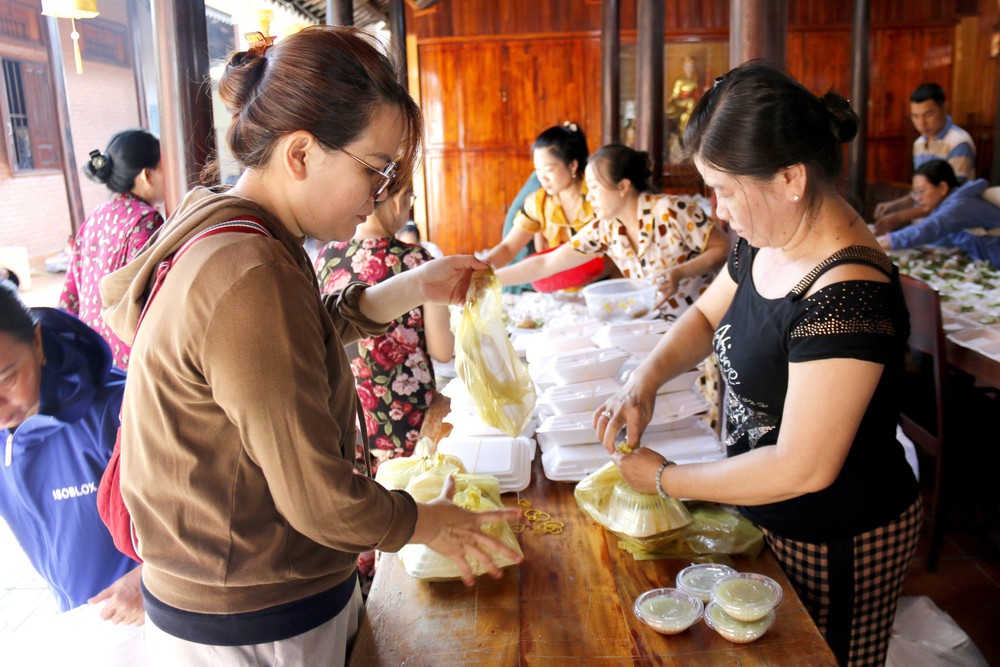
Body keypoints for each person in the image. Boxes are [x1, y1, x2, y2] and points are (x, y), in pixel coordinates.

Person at [98, 26, 520, 665]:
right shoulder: (250, 270)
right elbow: (320, 501)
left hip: (242, 595)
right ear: (300, 154)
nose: (381, 197)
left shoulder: (226, 224)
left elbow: (294, 338)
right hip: (254, 619)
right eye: (376, 170)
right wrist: (430, 523)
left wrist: (413, 284)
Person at [596, 62, 920, 667]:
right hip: (765, 508)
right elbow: (703, 318)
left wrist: (665, 478)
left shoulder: (846, 293)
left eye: (724, 190)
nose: (717, 212)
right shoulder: (766, 236)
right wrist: (644, 380)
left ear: (791, 178)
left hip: (836, 532)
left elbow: (803, 466)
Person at [0, 280, 143, 624]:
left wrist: (151, 580)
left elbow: (215, 509)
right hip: (81, 625)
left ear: (37, 342)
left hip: (154, 623)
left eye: (5, 379)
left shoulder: (118, 412)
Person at [495, 143, 727, 320]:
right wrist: (489, 279)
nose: (590, 195)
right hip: (657, 327)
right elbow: (545, 264)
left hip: (706, 321)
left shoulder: (671, 210)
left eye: (594, 187)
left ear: (623, 187)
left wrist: (680, 273)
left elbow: (722, 249)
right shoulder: (606, 229)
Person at [315, 177, 454, 472]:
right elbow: (443, 351)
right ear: (396, 199)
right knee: (407, 499)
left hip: (346, 416)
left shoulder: (327, 257)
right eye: (410, 199)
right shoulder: (418, 260)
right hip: (406, 417)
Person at [58, 129, 165, 371]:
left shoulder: (95, 217)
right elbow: (153, 297)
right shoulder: (146, 220)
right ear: (147, 175)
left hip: (97, 357)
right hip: (130, 362)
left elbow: (70, 295)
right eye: (164, 168)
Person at [483, 123, 606, 290]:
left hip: (603, 287)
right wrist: (480, 269)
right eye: (537, 170)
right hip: (560, 288)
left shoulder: (598, 196)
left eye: (549, 170)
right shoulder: (538, 203)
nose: (542, 178)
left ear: (572, 165)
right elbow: (508, 247)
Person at [874, 83, 976, 234]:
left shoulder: (959, 143)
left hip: (950, 227)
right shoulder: (919, 143)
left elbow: (948, 197)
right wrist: (895, 206)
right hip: (925, 227)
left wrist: (898, 217)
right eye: (915, 116)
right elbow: (921, 191)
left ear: (944, 107)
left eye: (928, 114)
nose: (921, 123)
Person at [877, 159, 1000, 268]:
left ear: (942, 188)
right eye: (915, 193)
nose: (918, 198)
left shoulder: (959, 205)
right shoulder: (946, 205)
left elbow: (929, 228)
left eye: (921, 191)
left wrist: (887, 241)